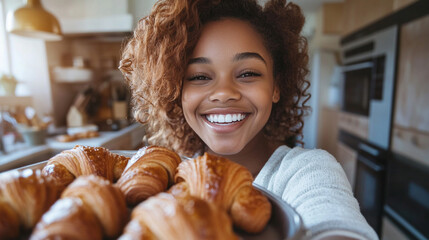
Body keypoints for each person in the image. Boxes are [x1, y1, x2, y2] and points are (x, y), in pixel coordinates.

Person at [119, 0, 378, 239]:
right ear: (177, 91)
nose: (223, 93)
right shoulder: (168, 177)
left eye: (248, 73)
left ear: (276, 86)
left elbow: (336, 228)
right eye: (199, 76)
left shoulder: (307, 171)